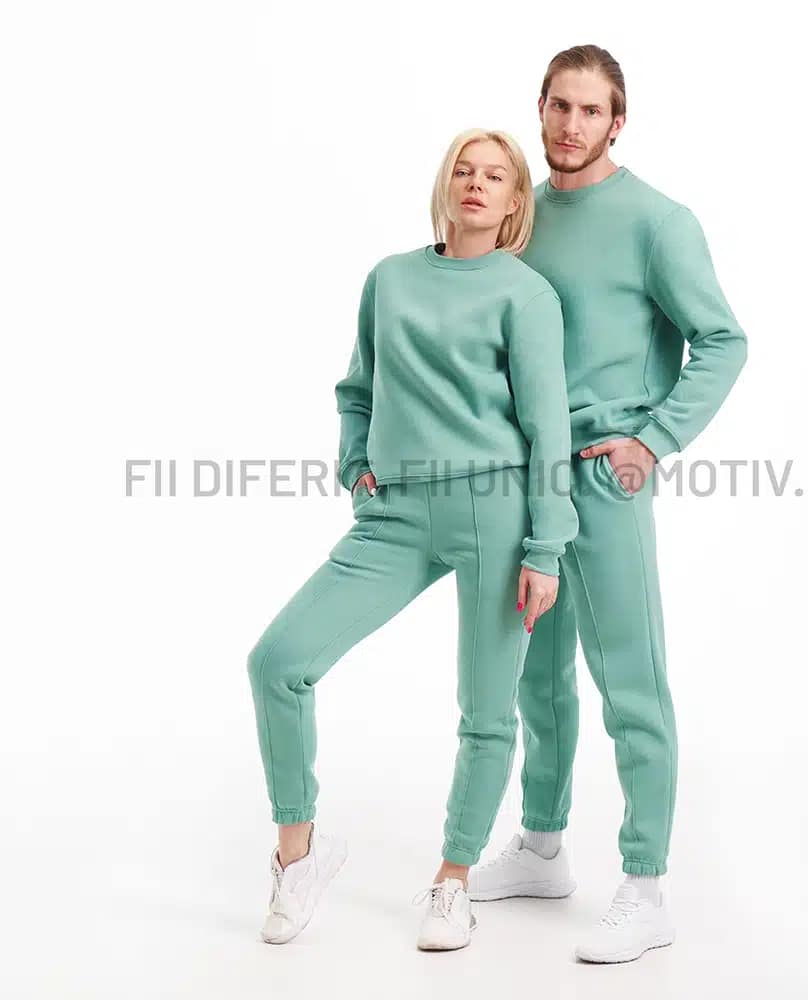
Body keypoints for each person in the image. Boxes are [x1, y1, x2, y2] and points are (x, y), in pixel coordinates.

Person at [246, 128, 579, 951]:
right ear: (445, 184)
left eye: (494, 174)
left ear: (514, 200)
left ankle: (452, 882)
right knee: (278, 662)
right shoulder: (390, 279)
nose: (475, 183)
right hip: (393, 514)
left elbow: (548, 427)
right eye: (463, 170)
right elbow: (356, 388)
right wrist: (354, 463)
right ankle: (298, 856)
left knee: (485, 711)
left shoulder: (526, 294)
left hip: (496, 512)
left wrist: (544, 548)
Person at [468, 45, 749, 964]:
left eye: (591, 111)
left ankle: (646, 884)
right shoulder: (522, 214)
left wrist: (652, 439)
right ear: (539, 108)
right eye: (559, 106)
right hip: (522, 475)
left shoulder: (658, 223)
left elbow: (722, 339)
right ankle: (542, 845)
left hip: (602, 472)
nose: (570, 125)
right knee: (536, 673)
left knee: (630, 677)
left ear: (617, 122)